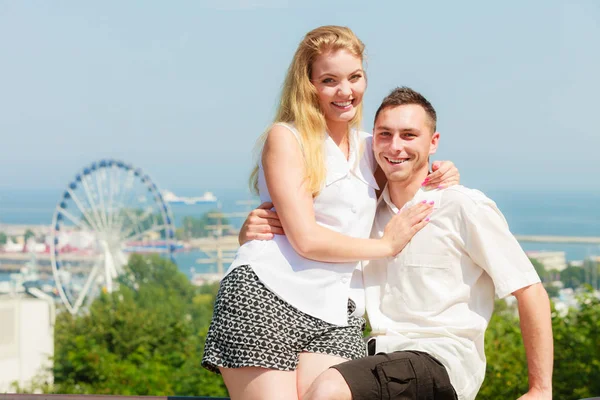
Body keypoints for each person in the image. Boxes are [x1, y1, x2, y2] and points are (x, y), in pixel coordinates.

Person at [242, 87, 554, 400]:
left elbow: (530, 291)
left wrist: (540, 389)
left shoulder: (461, 206)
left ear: (433, 142)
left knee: (328, 389)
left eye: (408, 135)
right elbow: (308, 239)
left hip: (439, 360)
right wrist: (250, 232)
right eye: (384, 134)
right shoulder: (366, 215)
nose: (395, 146)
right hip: (371, 356)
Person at [201, 26, 460, 400]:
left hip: (337, 313)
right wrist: (387, 246)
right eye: (329, 80)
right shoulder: (286, 138)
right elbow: (305, 239)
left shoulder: (372, 147)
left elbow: (411, 162)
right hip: (266, 296)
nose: (345, 91)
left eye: (354, 77)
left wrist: (442, 169)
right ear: (308, 85)